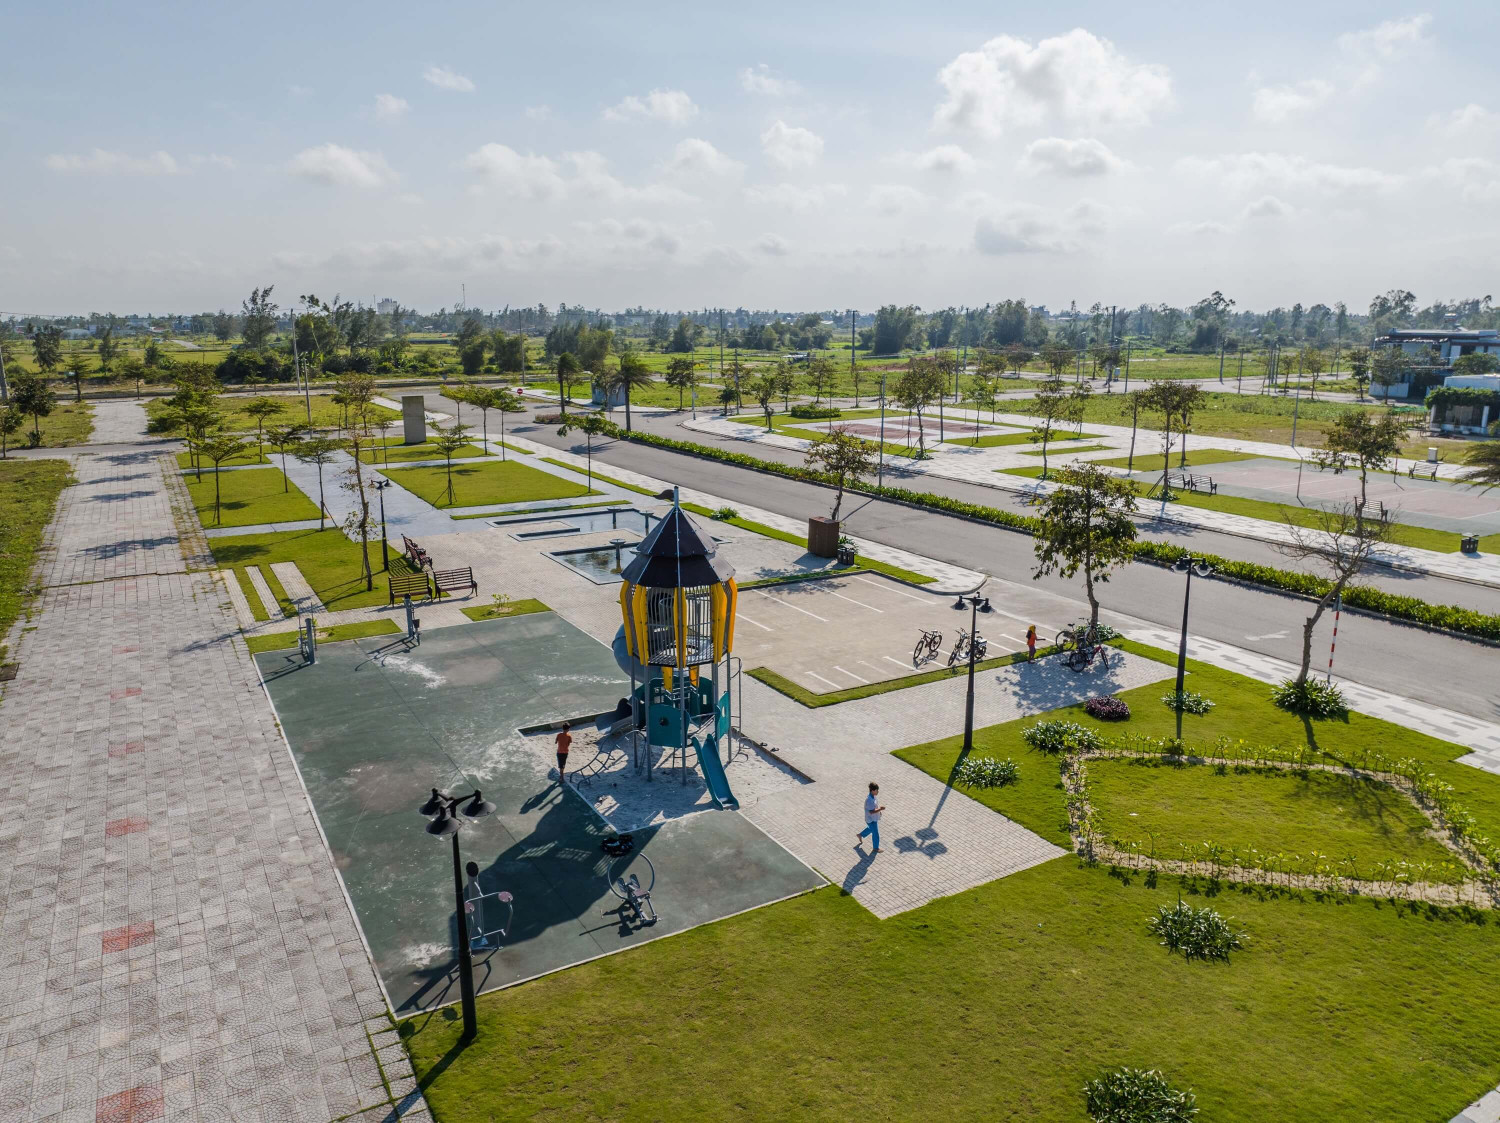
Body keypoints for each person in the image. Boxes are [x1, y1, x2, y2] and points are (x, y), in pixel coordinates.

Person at [856, 782, 884, 854]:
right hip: (870, 819)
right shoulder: (869, 800)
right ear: (872, 790)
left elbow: (875, 806)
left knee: (871, 829)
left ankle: (860, 835)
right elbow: (871, 811)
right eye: (877, 790)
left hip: (874, 818)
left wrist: (879, 811)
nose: (878, 791)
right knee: (875, 833)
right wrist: (880, 809)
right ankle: (875, 848)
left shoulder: (874, 796)